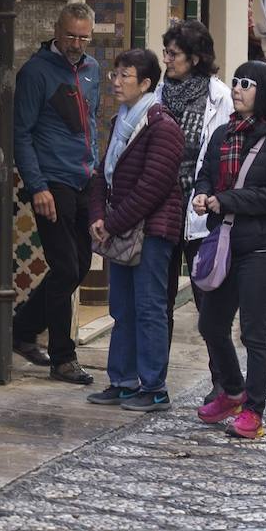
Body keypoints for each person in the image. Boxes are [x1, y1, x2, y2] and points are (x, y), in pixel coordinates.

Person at [192, 61, 266, 439]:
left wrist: (227, 200)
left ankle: (253, 411)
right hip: (225, 245)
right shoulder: (223, 134)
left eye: (246, 84)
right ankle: (233, 391)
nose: (236, 89)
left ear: (265, 92)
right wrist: (204, 194)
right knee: (211, 324)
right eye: (235, 82)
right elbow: (205, 172)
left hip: (264, 252)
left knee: (255, 334)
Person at [86, 49, 185, 411]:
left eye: (124, 76)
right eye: (115, 74)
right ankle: (123, 380)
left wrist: (111, 223)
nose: (115, 81)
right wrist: (98, 214)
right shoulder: (121, 121)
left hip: (152, 231)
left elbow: (152, 188)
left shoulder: (162, 126)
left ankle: (154, 386)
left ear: (145, 83)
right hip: (122, 228)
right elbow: (102, 172)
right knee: (122, 308)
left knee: (149, 308)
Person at [12, 2, 103, 384]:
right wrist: (38, 186)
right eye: (70, 35)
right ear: (56, 29)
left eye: (83, 37)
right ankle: (63, 359)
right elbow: (21, 133)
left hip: (84, 178)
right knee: (66, 266)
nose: (76, 43)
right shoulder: (36, 72)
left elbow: (91, 123)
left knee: (80, 265)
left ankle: (21, 329)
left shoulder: (93, 70)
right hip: (52, 183)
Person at [154, 20, 233, 402]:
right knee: (159, 298)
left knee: (208, 300)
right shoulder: (157, 91)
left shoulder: (218, 96)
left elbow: (222, 154)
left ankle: (222, 380)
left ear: (195, 59)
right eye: (166, 52)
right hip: (162, 208)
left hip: (200, 211)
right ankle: (154, 380)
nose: (166, 60)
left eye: (174, 54)